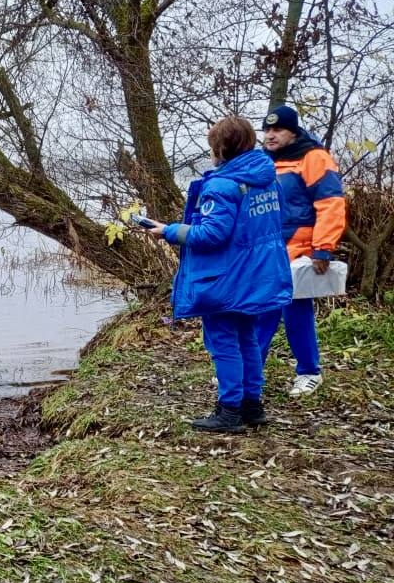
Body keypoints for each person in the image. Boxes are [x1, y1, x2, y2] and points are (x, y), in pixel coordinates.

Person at [144, 116, 292, 433]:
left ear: (221, 149)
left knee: (223, 342)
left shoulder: (222, 185)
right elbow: (277, 222)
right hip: (256, 275)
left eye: (212, 146)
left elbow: (211, 234)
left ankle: (229, 411)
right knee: (247, 338)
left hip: (226, 278)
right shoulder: (267, 179)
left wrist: (168, 231)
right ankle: (252, 406)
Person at [255, 105, 347, 396]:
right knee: (261, 311)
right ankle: (249, 372)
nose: (271, 135)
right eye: (267, 130)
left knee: (296, 312)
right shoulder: (263, 161)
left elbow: (330, 204)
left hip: (299, 250)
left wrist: (323, 248)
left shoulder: (314, 157)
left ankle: (309, 372)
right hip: (268, 249)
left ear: (293, 132)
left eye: (277, 129)